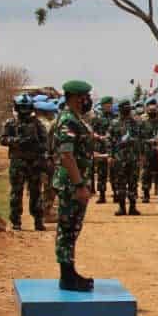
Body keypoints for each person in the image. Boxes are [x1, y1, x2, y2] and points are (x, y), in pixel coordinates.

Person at [53, 80, 98, 291]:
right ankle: (67, 277)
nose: (87, 100)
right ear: (74, 97)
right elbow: (67, 155)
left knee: (72, 229)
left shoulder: (76, 119)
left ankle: (70, 273)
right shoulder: (69, 120)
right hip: (71, 184)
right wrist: (79, 185)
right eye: (84, 96)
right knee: (67, 229)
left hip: (76, 181)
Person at [0, 94, 49, 231]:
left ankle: (38, 221)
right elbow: (3, 139)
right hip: (18, 162)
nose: (24, 110)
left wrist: (41, 151)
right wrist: (17, 141)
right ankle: (16, 221)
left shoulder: (37, 123)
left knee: (36, 192)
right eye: (22, 107)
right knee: (16, 192)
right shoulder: (11, 123)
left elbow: (45, 142)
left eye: (26, 107)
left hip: (34, 163)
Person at [107, 99, 144, 216]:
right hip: (119, 158)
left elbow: (141, 139)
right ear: (121, 109)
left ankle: (133, 207)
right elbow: (109, 141)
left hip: (133, 158)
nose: (127, 109)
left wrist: (141, 155)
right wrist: (110, 155)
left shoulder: (136, 123)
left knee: (133, 183)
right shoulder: (114, 123)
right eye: (125, 107)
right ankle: (122, 207)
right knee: (120, 183)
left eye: (129, 107)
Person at [140, 97, 158, 203]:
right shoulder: (142, 121)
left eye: (154, 111)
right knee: (146, 174)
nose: (152, 113)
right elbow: (140, 137)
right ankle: (146, 194)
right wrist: (141, 153)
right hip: (147, 150)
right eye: (150, 111)